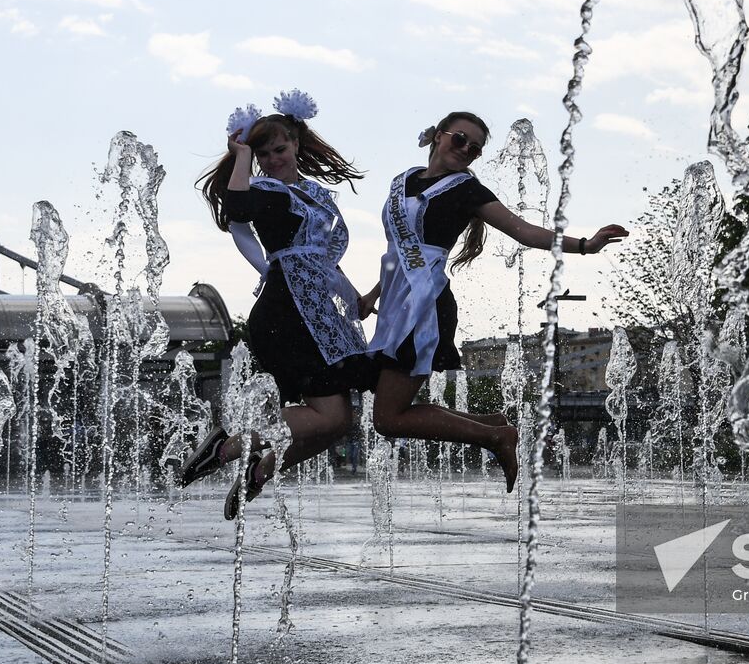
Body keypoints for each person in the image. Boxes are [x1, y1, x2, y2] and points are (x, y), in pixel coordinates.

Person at [359, 112, 629, 492]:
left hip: (425, 308)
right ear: (438, 136)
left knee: (388, 418)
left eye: (475, 149)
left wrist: (585, 246)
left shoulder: (467, 189)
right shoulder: (402, 181)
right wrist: (374, 294)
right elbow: (401, 255)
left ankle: (494, 436)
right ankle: (491, 424)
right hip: (394, 307)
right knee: (391, 413)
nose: (467, 150)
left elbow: (524, 231)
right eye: (460, 140)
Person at [180, 90, 378, 519]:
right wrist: (240, 157)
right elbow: (236, 208)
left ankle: (261, 466)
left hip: (317, 312)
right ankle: (229, 446)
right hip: (289, 313)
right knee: (328, 418)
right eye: (263, 153)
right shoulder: (266, 190)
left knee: (339, 421)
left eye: (279, 149)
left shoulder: (317, 195)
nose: (272, 159)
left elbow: (322, 261)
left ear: (296, 144)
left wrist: (354, 298)